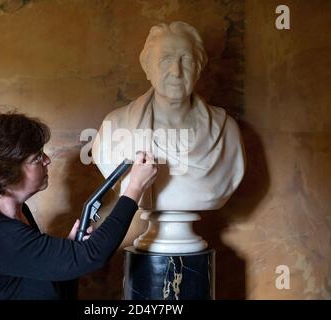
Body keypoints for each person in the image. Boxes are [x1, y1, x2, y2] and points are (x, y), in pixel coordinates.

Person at [0, 112, 157, 300]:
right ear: (5, 172)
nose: (47, 160)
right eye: (36, 158)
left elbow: (34, 271)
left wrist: (69, 247)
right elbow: (92, 255)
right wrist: (135, 188)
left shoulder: (15, 213)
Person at [92, 21, 245, 211]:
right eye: (165, 60)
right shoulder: (115, 126)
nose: (176, 71)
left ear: (198, 68)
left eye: (186, 60)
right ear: (147, 68)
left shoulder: (226, 131)